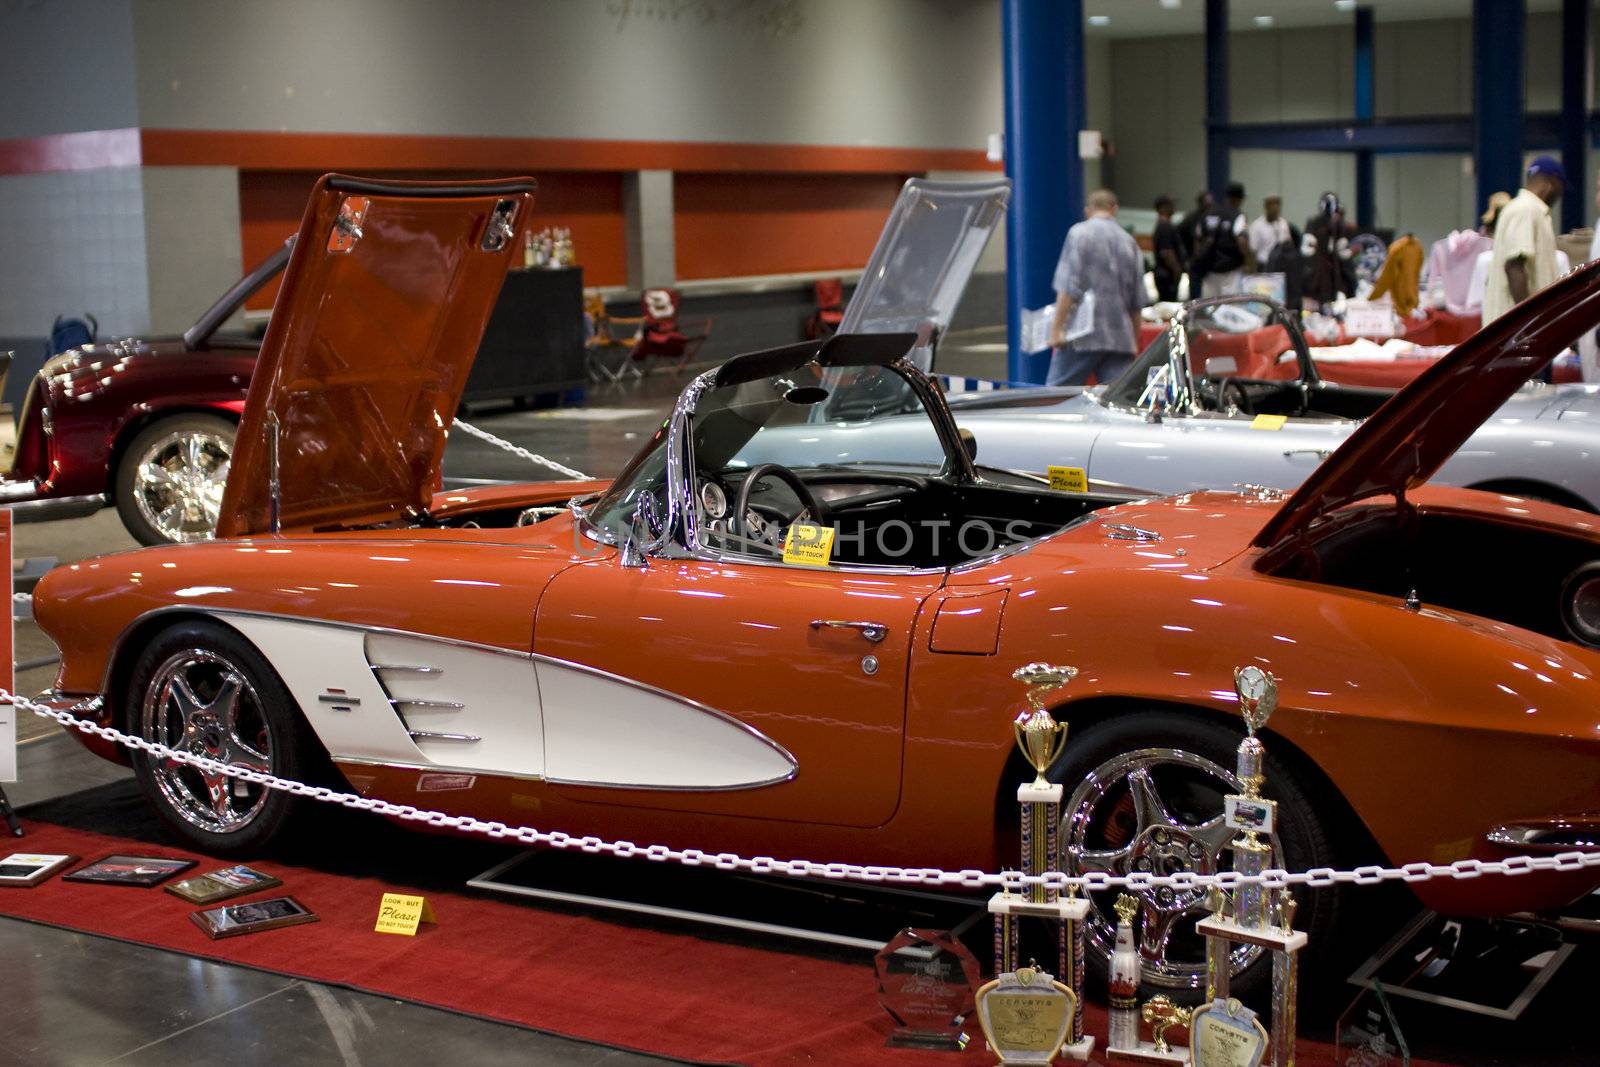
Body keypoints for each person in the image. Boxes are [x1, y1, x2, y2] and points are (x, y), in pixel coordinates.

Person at [1047, 188, 1147, 386]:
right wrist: (1133, 342)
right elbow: (1137, 301)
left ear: (1087, 211)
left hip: (1082, 335)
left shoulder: (1078, 234)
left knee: (1055, 397)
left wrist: (1057, 329)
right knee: (1116, 401)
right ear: (1114, 209)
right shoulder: (1129, 242)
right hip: (1120, 337)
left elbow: (1068, 286)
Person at [1483, 155, 1566, 324]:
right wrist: (1528, 323)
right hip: (1515, 333)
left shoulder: (1530, 210)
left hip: (1516, 331)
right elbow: (1514, 267)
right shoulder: (1526, 209)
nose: (1560, 194)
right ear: (1552, 183)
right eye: (1561, 187)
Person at [1191, 181, 1252, 297]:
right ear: (1239, 199)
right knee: (1230, 308)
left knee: (1209, 307)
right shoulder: (1237, 216)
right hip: (1230, 272)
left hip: (1208, 271)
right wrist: (1249, 262)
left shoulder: (1207, 214)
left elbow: (1197, 240)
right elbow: (1242, 242)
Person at [1302, 191, 1358, 308]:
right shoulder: (1314, 223)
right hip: (1318, 271)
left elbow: (1343, 251)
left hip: (1333, 271)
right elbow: (1307, 250)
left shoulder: (1340, 226)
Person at [1151, 195, 1185, 303]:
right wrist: (1177, 271)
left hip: (1165, 275)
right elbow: (1167, 253)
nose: (1173, 207)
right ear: (1162, 207)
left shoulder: (1162, 225)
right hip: (1167, 276)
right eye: (1170, 205)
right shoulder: (1165, 226)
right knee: (1168, 307)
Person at [1248, 195, 1295, 269]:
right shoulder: (1256, 226)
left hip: (1281, 265)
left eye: (1278, 210)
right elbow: (1252, 250)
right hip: (1264, 265)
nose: (1276, 212)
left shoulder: (1283, 223)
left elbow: (1288, 243)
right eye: (1273, 209)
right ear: (1266, 208)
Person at [1183, 190, 1214, 301]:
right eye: (1207, 203)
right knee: (1196, 297)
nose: (1210, 206)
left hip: (1206, 265)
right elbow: (1193, 241)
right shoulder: (1193, 219)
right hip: (1195, 264)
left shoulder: (1209, 218)